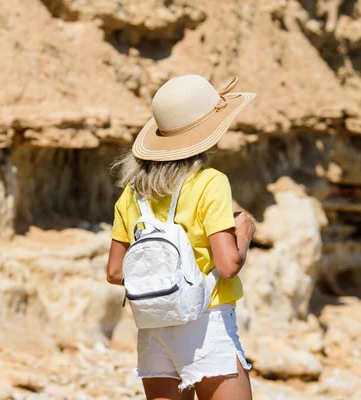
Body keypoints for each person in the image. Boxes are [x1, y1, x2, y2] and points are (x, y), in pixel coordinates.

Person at [106, 75, 256, 400]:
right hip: (206, 324)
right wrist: (243, 233)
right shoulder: (209, 183)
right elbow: (228, 265)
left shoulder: (132, 195)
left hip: (153, 328)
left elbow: (115, 273)